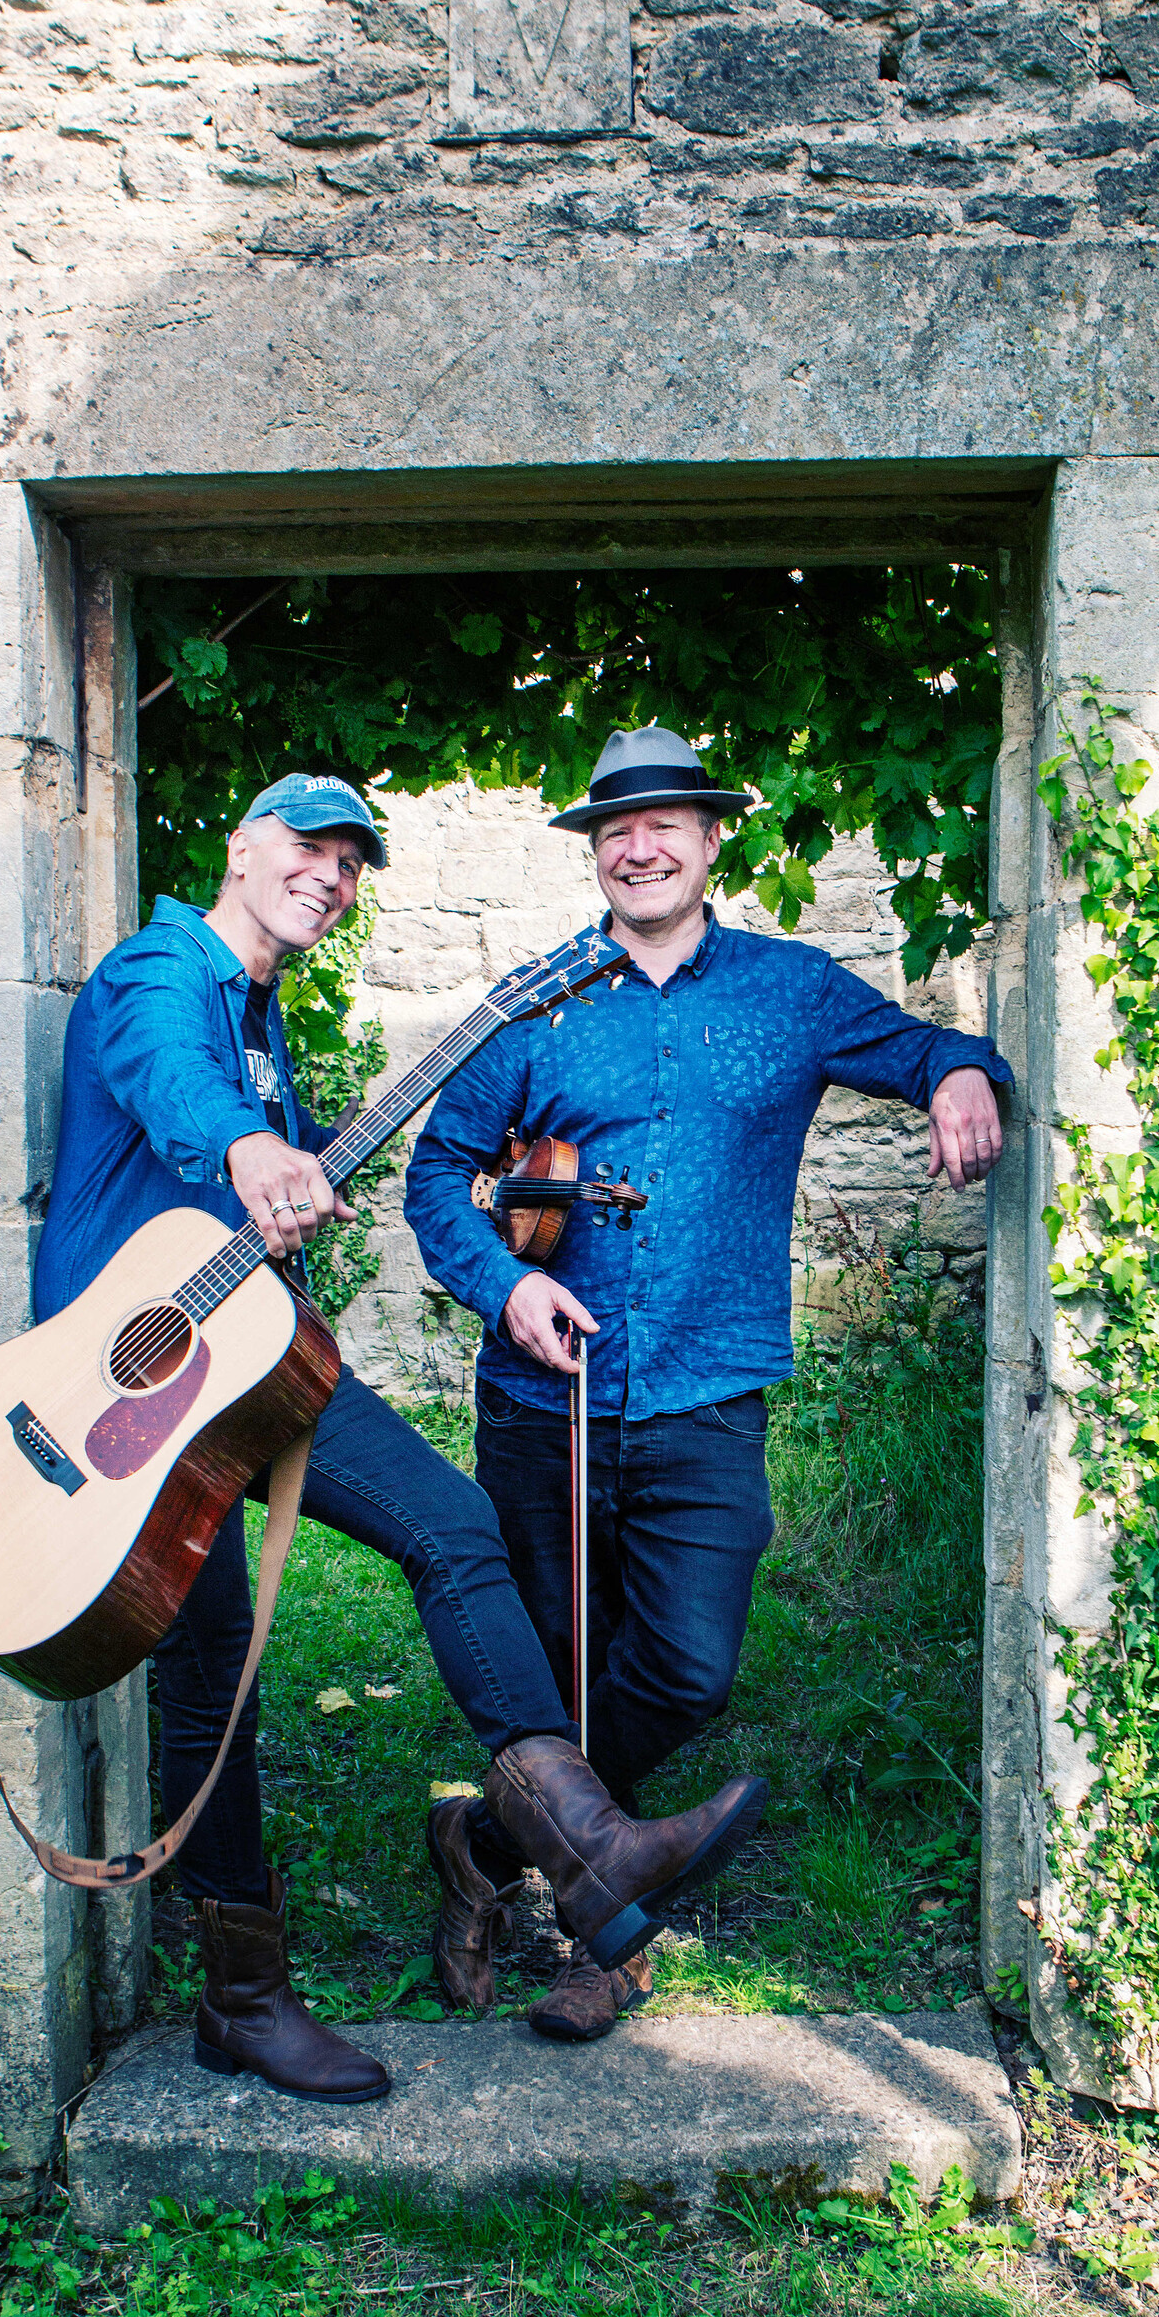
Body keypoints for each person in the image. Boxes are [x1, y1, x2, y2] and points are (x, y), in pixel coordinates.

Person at [32, 771, 767, 2104]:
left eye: (353, 862)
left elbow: (267, 1152)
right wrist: (251, 1153)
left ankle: (584, 1845)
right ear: (243, 847)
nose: (331, 873)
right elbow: (167, 1081)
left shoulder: (260, 1012)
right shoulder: (162, 971)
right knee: (212, 1689)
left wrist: (306, 1167)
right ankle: (243, 2001)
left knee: (452, 1525)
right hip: (122, 1401)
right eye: (308, 847)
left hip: (244, 1367)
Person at [404, 727, 1014, 2043]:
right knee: (557, 1673)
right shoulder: (542, 1002)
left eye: (666, 821)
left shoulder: (792, 992)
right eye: (615, 828)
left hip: (704, 1392)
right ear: (595, 851)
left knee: (686, 1664)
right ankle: (602, 1940)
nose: (639, 844)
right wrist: (503, 1285)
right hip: (541, 1402)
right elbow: (434, 1171)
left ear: (712, 837)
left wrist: (967, 1070)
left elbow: (919, 1052)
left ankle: (488, 1842)